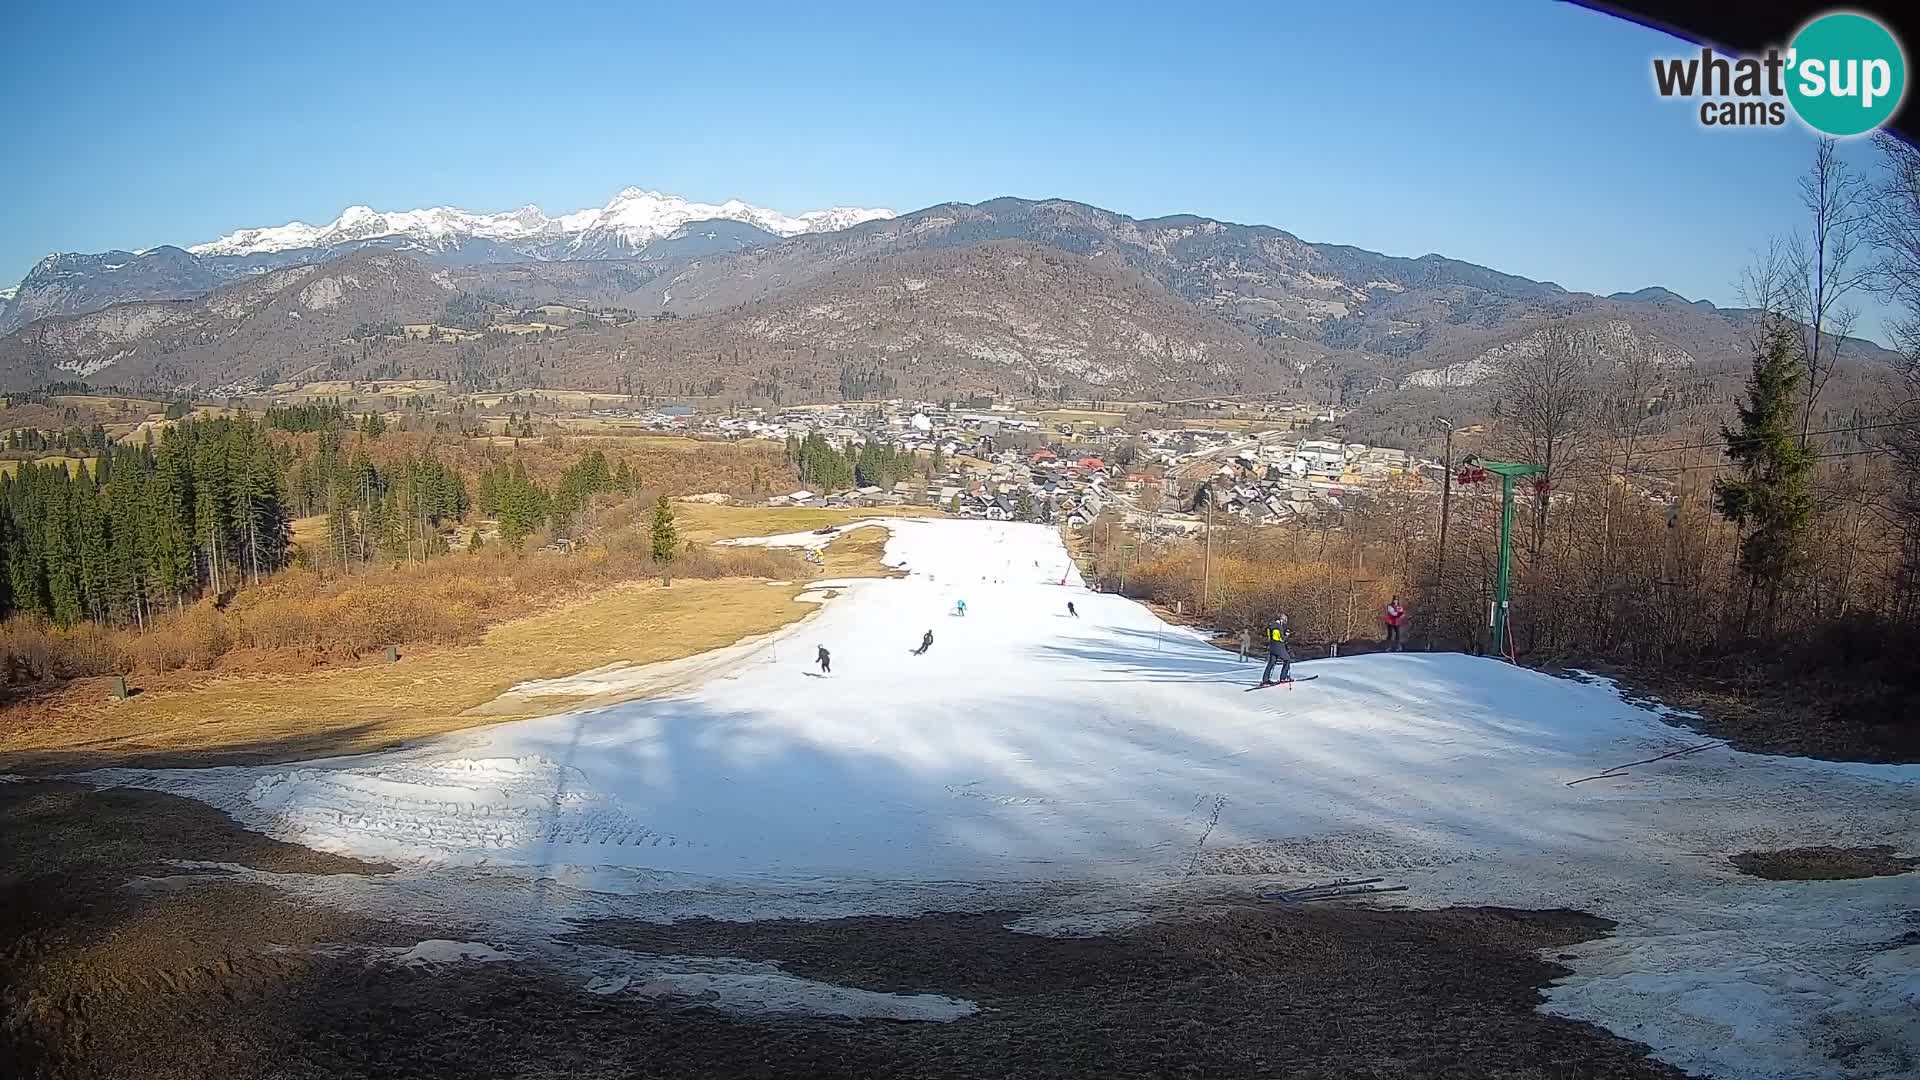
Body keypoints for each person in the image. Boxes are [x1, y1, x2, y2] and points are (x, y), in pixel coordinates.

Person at [1260, 614, 1292, 685]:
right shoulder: (1279, 626)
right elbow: (1282, 639)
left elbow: (1270, 637)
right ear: (1282, 620)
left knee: (1271, 662)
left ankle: (1265, 679)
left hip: (1272, 646)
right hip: (1279, 647)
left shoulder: (1270, 626)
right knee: (1287, 660)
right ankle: (1283, 678)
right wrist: (1287, 634)